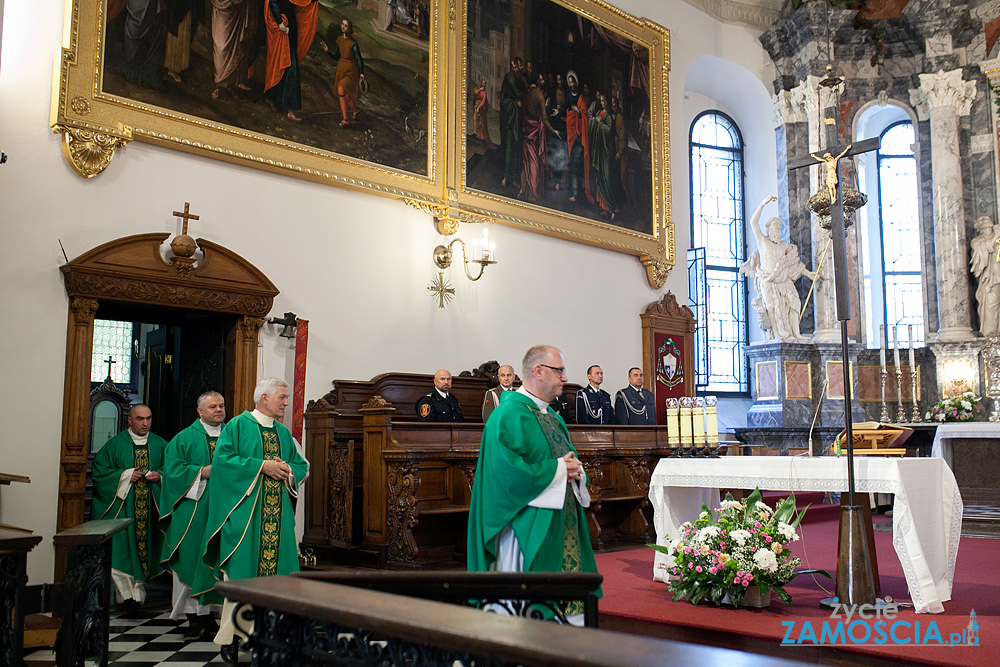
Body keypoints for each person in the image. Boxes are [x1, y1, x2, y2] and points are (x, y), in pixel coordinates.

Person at [467, 345, 600, 624]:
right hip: (523, 527)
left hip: (560, 523)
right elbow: (505, 474)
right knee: (524, 618)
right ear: (538, 371)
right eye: (559, 371)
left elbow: (568, 461)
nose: (565, 377)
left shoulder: (553, 417)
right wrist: (558, 469)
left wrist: (576, 472)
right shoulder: (507, 415)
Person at [200, 378, 308, 662]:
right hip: (246, 518)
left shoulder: (284, 433)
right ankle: (232, 640)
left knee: (280, 580)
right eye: (282, 397)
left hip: (278, 519)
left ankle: (273, 637)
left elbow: (299, 464)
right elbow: (223, 463)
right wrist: (261, 466)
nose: (286, 402)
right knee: (242, 578)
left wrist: (286, 469)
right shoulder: (237, 426)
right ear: (264, 398)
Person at [159, 391, 226, 640]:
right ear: (199, 411)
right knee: (189, 560)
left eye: (221, 406)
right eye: (212, 407)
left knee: (217, 560)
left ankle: (211, 615)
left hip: (223, 511)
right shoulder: (183, 438)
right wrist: (202, 472)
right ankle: (192, 619)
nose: (218, 410)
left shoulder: (233, 436)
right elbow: (173, 471)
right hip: (191, 512)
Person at [91, 404, 167, 605]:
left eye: (148, 419)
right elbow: (100, 471)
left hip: (150, 511)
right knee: (121, 549)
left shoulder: (160, 444)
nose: (145, 423)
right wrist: (124, 476)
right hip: (124, 510)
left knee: (149, 547)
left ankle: (138, 594)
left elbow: (173, 468)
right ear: (130, 420)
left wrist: (160, 475)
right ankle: (125, 595)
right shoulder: (115, 445)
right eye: (140, 419)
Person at [738, 196, 817, 341]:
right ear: (768, 228)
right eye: (775, 227)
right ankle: (777, 336)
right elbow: (753, 222)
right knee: (772, 308)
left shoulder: (785, 246)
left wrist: (808, 274)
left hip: (783, 280)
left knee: (795, 303)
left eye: (779, 228)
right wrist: (763, 203)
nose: (777, 230)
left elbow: (793, 265)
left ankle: (797, 334)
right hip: (767, 280)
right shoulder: (762, 242)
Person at [263, 0, 319, 122]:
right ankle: (290, 110)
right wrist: (279, 22)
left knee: (286, 65)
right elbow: (272, 1)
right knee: (289, 66)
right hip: (282, 27)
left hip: (291, 27)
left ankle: (271, 97)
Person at [520, 73, 561, 201]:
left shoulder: (527, 93)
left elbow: (528, 111)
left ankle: (525, 190)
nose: (543, 81)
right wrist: (554, 130)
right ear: (538, 81)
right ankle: (534, 194)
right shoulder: (539, 96)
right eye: (541, 79)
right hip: (535, 133)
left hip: (527, 130)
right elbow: (544, 118)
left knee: (527, 161)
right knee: (534, 163)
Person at [319, 19, 365, 127]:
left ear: (349, 29)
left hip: (351, 69)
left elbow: (358, 58)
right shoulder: (339, 39)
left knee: (341, 88)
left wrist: (361, 73)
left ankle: (345, 119)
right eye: (342, 24)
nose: (343, 27)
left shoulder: (353, 43)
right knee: (346, 93)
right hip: (341, 67)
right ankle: (356, 110)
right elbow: (336, 56)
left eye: (346, 25)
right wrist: (327, 50)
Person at [210, 0, 260, 100]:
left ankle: (233, 85)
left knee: (238, 47)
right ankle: (220, 84)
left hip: (239, 11)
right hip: (223, 10)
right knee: (221, 47)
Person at [564, 71, 592, 204]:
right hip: (572, 136)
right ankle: (573, 192)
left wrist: (577, 112)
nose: (571, 84)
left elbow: (584, 115)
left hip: (579, 138)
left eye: (573, 81)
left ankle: (576, 194)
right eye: (569, 82)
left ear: (576, 82)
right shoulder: (569, 96)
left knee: (576, 166)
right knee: (572, 165)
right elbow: (566, 109)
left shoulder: (581, 98)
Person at [970, 215, 1000, 334]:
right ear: (979, 227)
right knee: (991, 302)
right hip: (991, 278)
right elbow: (986, 249)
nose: (987, 220)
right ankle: (991, 336)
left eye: (987, 218)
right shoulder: (977, 241)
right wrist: (996, 236)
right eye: (982, 219)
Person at [499, 57, 526, 188]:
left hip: (518, 118)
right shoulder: (510, 78)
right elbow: (515, 94)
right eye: (515, 67)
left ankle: (515, 178)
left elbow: (524, 94)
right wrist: (516, 102)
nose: (517, 69)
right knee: (509, 149)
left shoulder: (521, 80)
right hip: (510, 117)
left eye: (519, 66)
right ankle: (506, 176)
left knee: (517, 149)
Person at [472, 79, 492, 144]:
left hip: (481, 108)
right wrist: (480, 89)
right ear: (481, 83)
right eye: (483, 83)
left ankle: (483, 138)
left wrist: (479, 107)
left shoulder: (484, 93)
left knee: (482, 122)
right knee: (475, 120)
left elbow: (483, 101)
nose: (483, 84)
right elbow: (475, 92)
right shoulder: (478, 89)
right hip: (476, 106)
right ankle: (474, 133)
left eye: (484, 84)